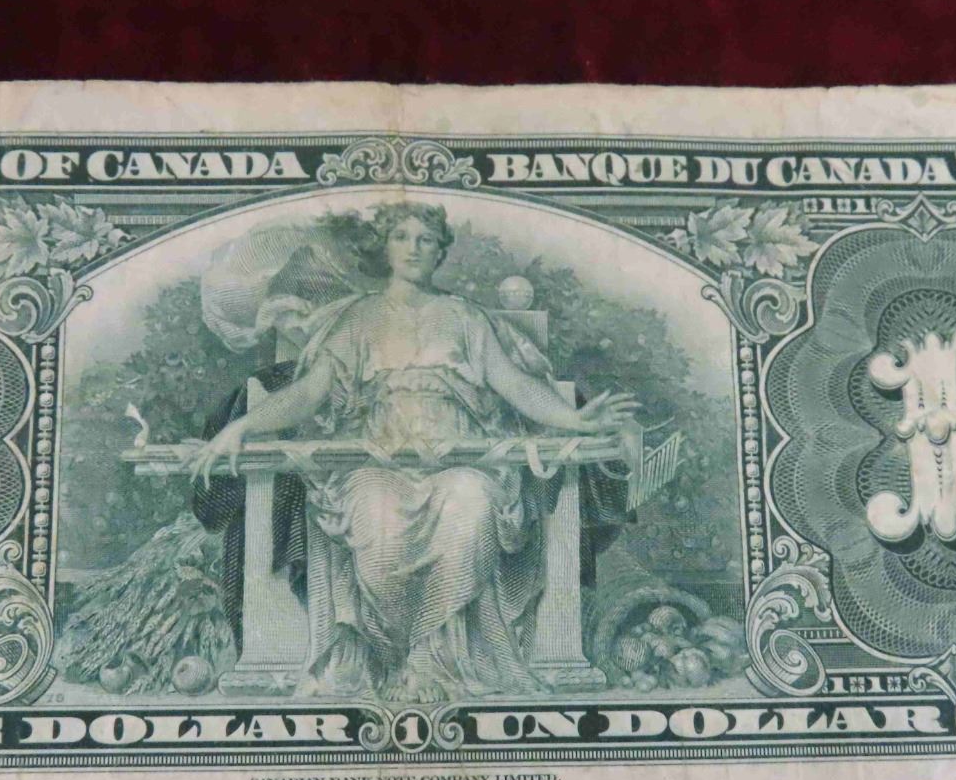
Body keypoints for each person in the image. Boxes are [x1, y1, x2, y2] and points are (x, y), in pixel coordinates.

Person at [190, 203, 638, 701]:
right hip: (372, 465)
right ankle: (392, 660)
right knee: (375, 516)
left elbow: (515, 384)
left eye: (425, 239)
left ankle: (433, 659)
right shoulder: (358, 318)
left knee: (473, 504)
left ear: (440, 251)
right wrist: (245, 425)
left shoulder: (465, 317)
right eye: (401, 237)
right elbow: (310, 392)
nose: (413, 248)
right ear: (386, 248)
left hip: (458, 463)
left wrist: (577, 420)